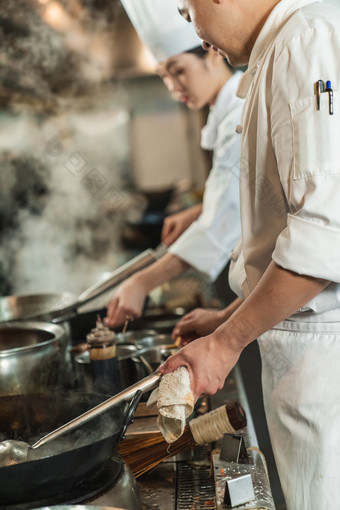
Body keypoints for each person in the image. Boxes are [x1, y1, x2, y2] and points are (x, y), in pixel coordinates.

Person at [159, 0, 340, 509]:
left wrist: (223, 345)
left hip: (327, 361)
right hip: (304, 351)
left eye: (185, 8)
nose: (189, 24)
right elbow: (287, 239)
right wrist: (226, 320)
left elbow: (326, 239)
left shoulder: (306, 42)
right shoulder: (282, 48)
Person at [105, 0, 243, 327]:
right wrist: (198, 211)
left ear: (211, 51)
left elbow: (226, 218)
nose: (172, 87)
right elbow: (246, 196)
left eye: (178, 70)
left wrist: (142, 282)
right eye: (164, 75)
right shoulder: (223, 112)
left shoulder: (239, 113)